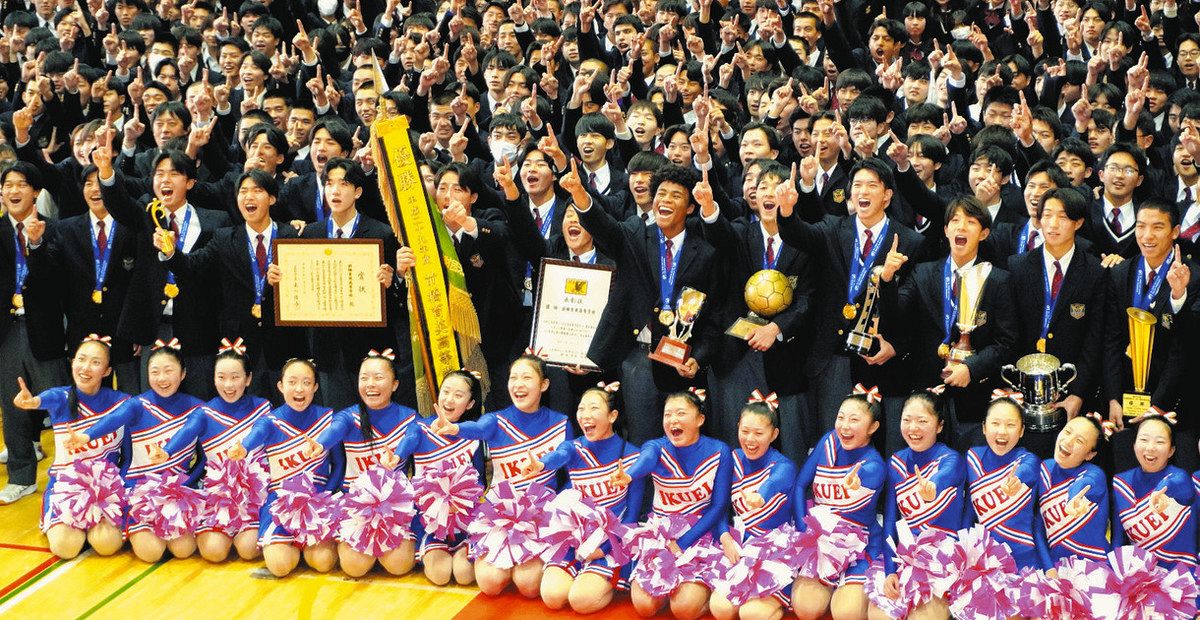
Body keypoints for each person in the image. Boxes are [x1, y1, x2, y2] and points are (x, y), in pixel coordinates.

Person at [433, 354, 571, 597]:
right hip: (500, 515)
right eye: (513, 377)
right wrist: (455, 428)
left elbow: (570, 468)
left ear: (544, 384)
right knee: (490, 583)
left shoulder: (561, 423)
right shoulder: (495, 420)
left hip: (542, 516)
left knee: (528, 586)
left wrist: (563, 510)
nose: (518, 384)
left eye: (526, 377)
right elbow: (477, 429)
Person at [65, 340, 206, 562]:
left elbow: (203, 459)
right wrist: (87, 435)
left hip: (179, 493)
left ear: (183, 374)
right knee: (150, 554)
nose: (161, 378)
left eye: (169, 371)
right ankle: (128, 528)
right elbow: (114, 420)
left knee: (184, 550)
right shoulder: (136, 405)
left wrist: (186, 484)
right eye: (155, 372)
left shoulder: (198, 408)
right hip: (139, 490)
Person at [609, 389, 733, 620]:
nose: (673, 420)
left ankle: (703, 590)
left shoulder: (720, 451)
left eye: (681, 413)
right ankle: (670, 587)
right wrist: (629, 475)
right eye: (668, 414)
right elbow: (645, 460)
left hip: (700, 535)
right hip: (661, 536)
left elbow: (719, 506)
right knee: (644, 607)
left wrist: (684, 543)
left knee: (684, 610)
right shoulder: (656, 447)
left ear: (700, 419)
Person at [149, 339, 272, 562]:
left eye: (235, 377)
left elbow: (263, 432)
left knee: (248, 550)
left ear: (248, 379)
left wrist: (244, 448)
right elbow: (187, 432)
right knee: (212, 552)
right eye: (221, 377)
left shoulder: (263, 407)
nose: (228, 385)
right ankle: (225, 534)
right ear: (213, 379)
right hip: (218, 498)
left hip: (256, 498)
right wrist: (167, 451)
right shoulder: (205, 412)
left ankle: (245, 534)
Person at [525, 382, 642, 614]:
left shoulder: (632, 455)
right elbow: (559, 455)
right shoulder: (574, 448)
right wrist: (541, 464)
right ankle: (580, 573)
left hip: (612, 543)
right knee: (552, 597)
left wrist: (606, 548)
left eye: (594, 408)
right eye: (581, 409)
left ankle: (604, 580)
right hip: (575, 539)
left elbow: (632, 515)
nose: (585, 415)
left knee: (581, 601)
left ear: (613, 415)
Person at [228, 358, 344, 577]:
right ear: (280, 386)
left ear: (315, 387)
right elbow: (256, 435)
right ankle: (292, 545)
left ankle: (305, 546)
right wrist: (243, 448)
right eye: (292, 382)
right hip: (279, 503)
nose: (299, 389)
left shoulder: (328, 418)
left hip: (318, 502)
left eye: (306, 382)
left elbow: (339, 465)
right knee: (280, 566)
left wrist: (324, 496)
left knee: (324, 562)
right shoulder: (269, 421)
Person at [307, 350, 417, 577]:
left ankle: (381, 551)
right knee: (354, 568)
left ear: (395, 384)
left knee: (399, 566)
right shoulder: (348, 417)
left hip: (395, 506)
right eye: (364, 378)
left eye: (378, 377)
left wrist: (396, 458)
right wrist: (320, 444)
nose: (370, 384)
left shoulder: (410, 418)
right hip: (355, 504)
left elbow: (415, 445)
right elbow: (334, 430)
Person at [19, 335, 131, 558]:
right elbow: (43, 399)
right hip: (65, 487)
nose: (86, 368)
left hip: (106, 490)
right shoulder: (60, 397)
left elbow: (128, 457)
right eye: (81, 359)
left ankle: (91, 527)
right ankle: (73, 524)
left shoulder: (123, 403)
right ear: (72, 362)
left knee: (107, 545)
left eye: (96, 362)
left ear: (108, 371)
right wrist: (32, 402)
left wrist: (123, 487)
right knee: (64, 548)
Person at [792, 388, 886, 620]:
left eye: (854, 420)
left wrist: (856, 482)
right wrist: (805, 531)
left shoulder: (875, 465)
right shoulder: (828, 441)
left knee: (847, 614)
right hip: (821, 542)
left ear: (873, 427)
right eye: (841, 417)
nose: (844, 426)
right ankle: (828, 588)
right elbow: (799, 486)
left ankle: (849, 588)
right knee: (805, 609)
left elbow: (866, 477)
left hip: (859, 547)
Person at [393, 370, 485, 587]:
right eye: (446, 392)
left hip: (464, 517)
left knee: (464, 575)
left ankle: (463, 546)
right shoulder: (420, 427)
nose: (449, 399)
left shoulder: (473, 435)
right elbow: (410, 440)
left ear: (470, 403)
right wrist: (397, 456)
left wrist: (459, 502)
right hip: (428, 519)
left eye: (458, 395)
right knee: (440, 576)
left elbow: (481, 481)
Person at [709, 395, 798, 620]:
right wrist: (725, 537)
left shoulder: (784, 466)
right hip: (738, 546)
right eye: (745, 431)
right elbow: (719, 506)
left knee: (752, 614)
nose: (750, 439)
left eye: (759, 434)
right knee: (721, 609)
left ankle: (780, 601)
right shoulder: (730, 459)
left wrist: (760, 496)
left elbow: (774, 482)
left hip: (774, 549)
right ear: (737, 427)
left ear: (774, 435)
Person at [965, 396, 1052, 570]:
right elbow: (969, 512)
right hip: (984, 560)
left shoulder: (1030, 460)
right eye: (995, 423)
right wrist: (965, 553)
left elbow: (1026, 470)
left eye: (1011, 425)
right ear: (984, 427)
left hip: (1024, 561)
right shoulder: (972, 458)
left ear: (1021, 431)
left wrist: (1017, 480)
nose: (1002, 431)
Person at [1111, 410, 1197, 570]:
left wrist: (1159, 491)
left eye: (1159, 442)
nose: (1150, 448)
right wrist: (1117, 570)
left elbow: (1175, 483)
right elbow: (1117, 539)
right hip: (1140, 576)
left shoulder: (1181, 478)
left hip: (1182, 577)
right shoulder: (1121, 482)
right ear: (1134, 445)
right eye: (1144, 440)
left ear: (1171, 450)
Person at [1038, 414, 1111, 562]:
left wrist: (1073, 499)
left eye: (1079, 441)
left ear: (1090, 454)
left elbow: (1084, 483)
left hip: (1093, 568)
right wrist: (1048, 568)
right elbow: (1037, 525)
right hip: (1053, 568)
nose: (1068, 441)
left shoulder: (1095, 474)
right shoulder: (1045, 467)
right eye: (1067, 432)